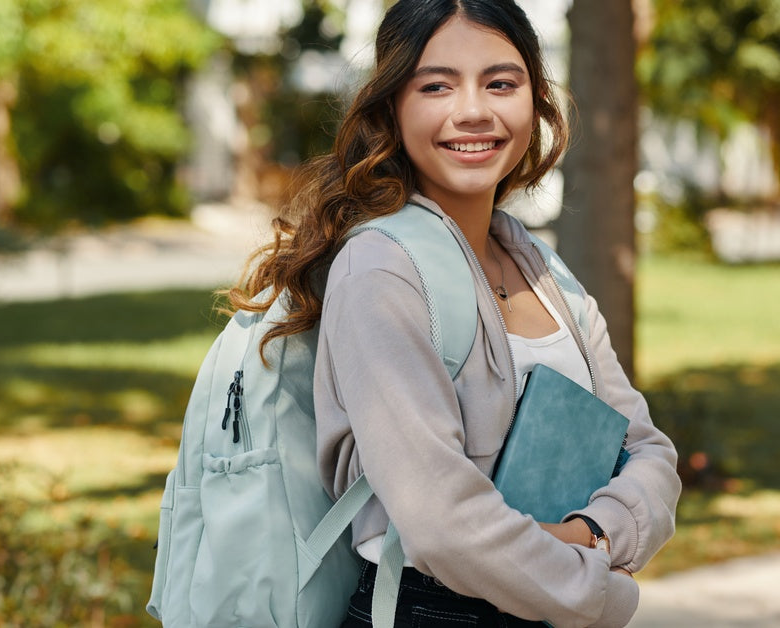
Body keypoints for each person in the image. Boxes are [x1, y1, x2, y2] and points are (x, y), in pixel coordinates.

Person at [226, 1, 681, 626]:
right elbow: (440, 522)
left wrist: (590, 533)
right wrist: (599, 591)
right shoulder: (380, 269)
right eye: (435, 86)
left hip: (551, 591)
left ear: (536, 101)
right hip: (433, 611)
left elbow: (647, 451)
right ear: (392, 108)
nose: (473, 110)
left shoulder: (541, 269)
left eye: (501, 83)